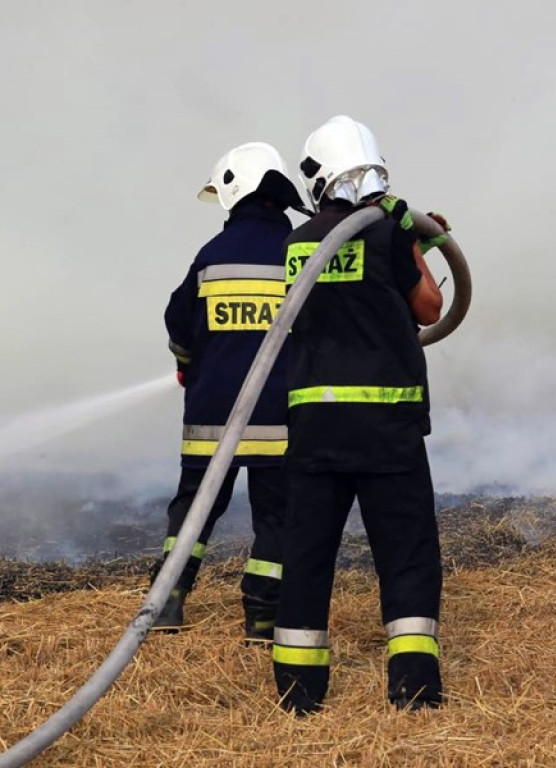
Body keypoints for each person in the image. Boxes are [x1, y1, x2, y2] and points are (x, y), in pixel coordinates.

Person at [272, 115, 447, 713]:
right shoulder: (389, 231)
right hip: (387, 428)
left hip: (316, 427)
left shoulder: (297, 243)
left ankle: (298, 694)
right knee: (406, 552)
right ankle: (415, 689)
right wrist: (419, 247)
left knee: (307, 554)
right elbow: (429, 306)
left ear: (317, 173)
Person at [153, 142, 300, 641]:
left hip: (211, 414)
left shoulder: (211, 257)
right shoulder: (300, 254)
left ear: (234, 192)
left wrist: (186, 365)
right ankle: (262, 618)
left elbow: (178, 322)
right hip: (279, 418)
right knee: (277, 521)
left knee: (193, 512)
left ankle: (168, 602)